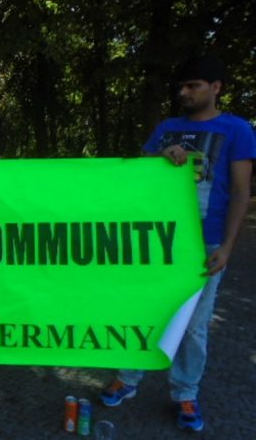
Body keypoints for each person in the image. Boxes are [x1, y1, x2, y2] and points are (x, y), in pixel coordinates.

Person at [99, 56, 256, 432]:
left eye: (193, 86)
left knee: (194, 324)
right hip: (156, 243)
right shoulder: (167, 128)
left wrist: (227, 247)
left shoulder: (236, 130)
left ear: (216, 87)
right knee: (143, 312)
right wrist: (158, 155)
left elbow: (239, 191)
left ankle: (186, 392)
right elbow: (140, 173)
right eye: (181, 87)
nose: (183, 93)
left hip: (205, 243)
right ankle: (128, 378)